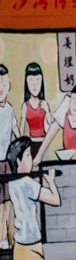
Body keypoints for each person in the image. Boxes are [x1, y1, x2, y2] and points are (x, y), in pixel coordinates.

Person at [0, 65, 20, 249]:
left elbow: (16, 132)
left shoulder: (10, 109)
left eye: (3, 82)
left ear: (9, 85)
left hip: (7, 162)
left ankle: (5, 239)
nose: (1, 86)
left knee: (7, 201)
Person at [20, 62, 52, 155]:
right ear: (26, 82)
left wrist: (47, 111)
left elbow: (51, 127)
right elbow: (21, 129)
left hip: (44, 145)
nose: (34, 84)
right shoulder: (25, 105)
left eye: (38, 79)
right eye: (31, 80)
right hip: (30, 145)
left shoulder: (44, 103)